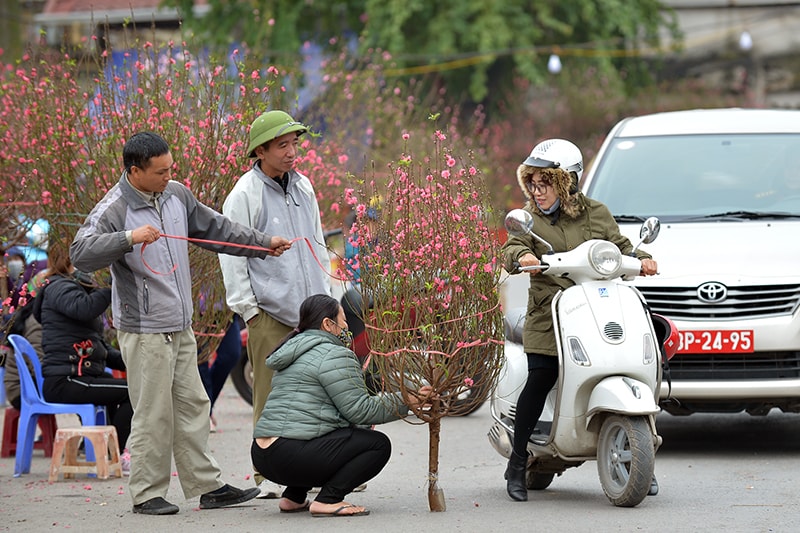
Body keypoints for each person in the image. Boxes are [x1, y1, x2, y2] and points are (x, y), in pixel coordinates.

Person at [69, 131, 292, 516]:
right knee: (153, 412)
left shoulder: (176, 194)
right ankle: (146, 492)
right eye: (160, 172)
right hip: (143, 329)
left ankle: (207, 486)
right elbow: (81, 252)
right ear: (134, 171)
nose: (168, 177)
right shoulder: (115, 207)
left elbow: (216, 229)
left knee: (193, 405)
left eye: (171, 169)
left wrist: (262, 243)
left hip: (181, 323)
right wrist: (127, 238)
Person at [500, 138, 659, 502]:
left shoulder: (597, 213)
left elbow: (621, 247)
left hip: (597, 309)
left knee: (634, 362)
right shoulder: (530, 221)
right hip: (550, 313)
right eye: (533, 183)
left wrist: (643, 258)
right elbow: (512, 248)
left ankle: (642, 456)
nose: (537, 192)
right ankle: (517, 459)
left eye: (546, 183)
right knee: (541, 376)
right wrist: (522, 256)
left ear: (567, 181)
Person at [219, 109, 331, 498]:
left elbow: (317, 243)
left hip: (313, 310)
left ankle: (320, 470)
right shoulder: (244, 195)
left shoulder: (304, 187)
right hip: (269, 312)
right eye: (282, 145)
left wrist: (327, 297)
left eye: (294, 144)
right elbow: (231, 254)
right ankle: (267, 475)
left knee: (319, 391)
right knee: (269, 396)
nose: (291, 152)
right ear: (261, 150)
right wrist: (248, 309)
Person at [250, 294, 434, 517]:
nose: (347, 326)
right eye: (344, 319)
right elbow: (360, 410)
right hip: (292, 457)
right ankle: (328, 500)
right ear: (328, 324)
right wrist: (407, 399)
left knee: (327, 432)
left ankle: (294, 497)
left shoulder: (292, 350)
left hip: (263, 455)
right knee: (377, 445)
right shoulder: (335, 353)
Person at [34, 245, 133, 472]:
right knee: (132, 392)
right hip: (66, 378)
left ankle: (104, 450)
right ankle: (112, 452)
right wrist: (111, 286)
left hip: (80, 374)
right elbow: (84, 308)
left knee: (125, 387)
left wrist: (132, 361)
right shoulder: (59, 287)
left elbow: (100, 349)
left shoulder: (70, 288)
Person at [197, 317, 242, 432]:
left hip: (226, 313)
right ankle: (206, 413)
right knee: (200, 362)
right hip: (198, 312)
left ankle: (207, 404)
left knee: (231, 354)